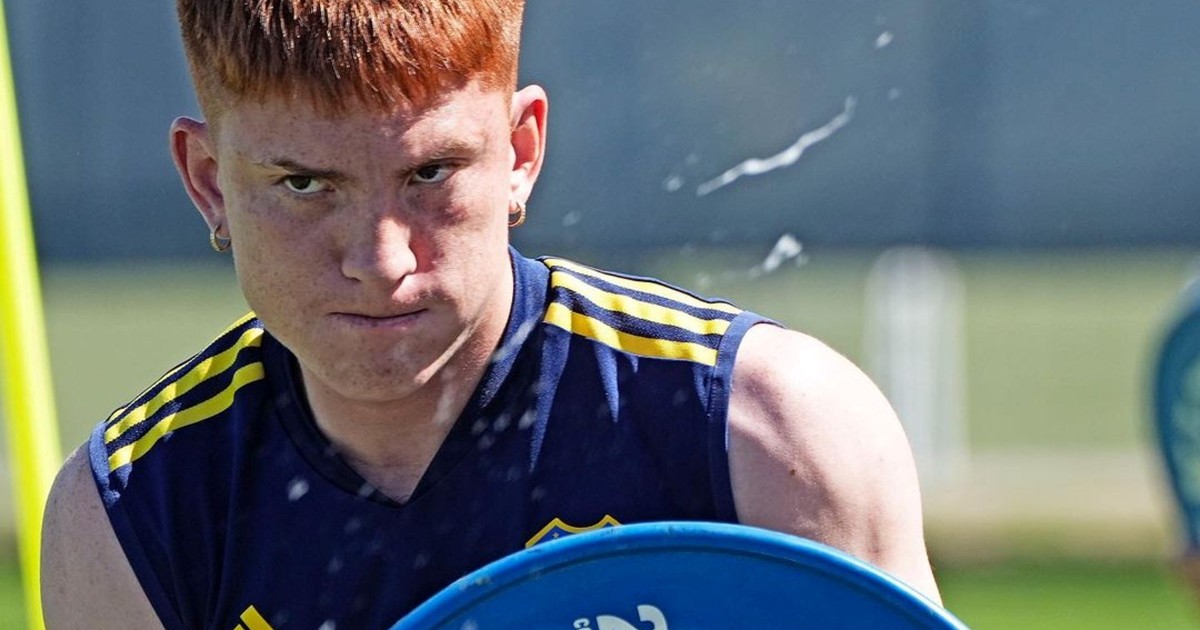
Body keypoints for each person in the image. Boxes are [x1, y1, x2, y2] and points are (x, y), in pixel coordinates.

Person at [39, 1, 942, 627]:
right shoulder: (131, 516)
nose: (382, 261)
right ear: (209, 182)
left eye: (430, 174)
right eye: (304, 185)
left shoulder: (769, 433)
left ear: (520, 151)